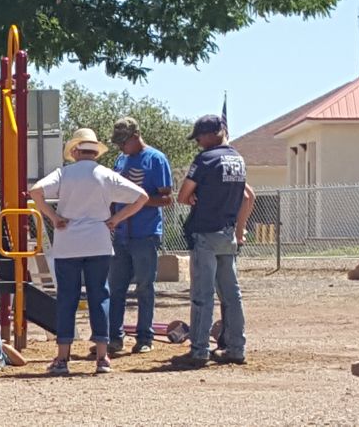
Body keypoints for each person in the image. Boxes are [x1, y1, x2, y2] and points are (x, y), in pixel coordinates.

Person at [30, 128, 148, 375]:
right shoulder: (106, 175)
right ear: (95, 151)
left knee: (67, 299)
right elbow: (141, 197)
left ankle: (63, 357)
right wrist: (116, 219)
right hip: (98, 242)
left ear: (75, 150)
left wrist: (53, 217)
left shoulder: (64, 173)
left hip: (68, 243)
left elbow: (36, 191)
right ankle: (103, 357)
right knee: (99, 296)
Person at [174, 114, 255, 367]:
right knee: (231, 295)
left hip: (205, 234)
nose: (198, 142)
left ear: (211, 134)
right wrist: (240, 230)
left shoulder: (206, 159)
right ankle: (236, 348)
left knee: (203, 294)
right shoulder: (238, 159)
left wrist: (191, 198)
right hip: (227, 234)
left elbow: (183, 195)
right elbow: (248, 197)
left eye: (199, 137)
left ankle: (199, 350)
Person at [106, 117, 173, 355]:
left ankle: (145, 337)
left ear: (135, 137)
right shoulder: (121, 160)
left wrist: (138, 201)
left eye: (123, 142)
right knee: (116, 287)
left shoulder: (156, 159)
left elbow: (166, 198)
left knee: (144, 286)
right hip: (120, 234)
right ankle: (114, 338)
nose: (121, 147)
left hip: (145, 234)